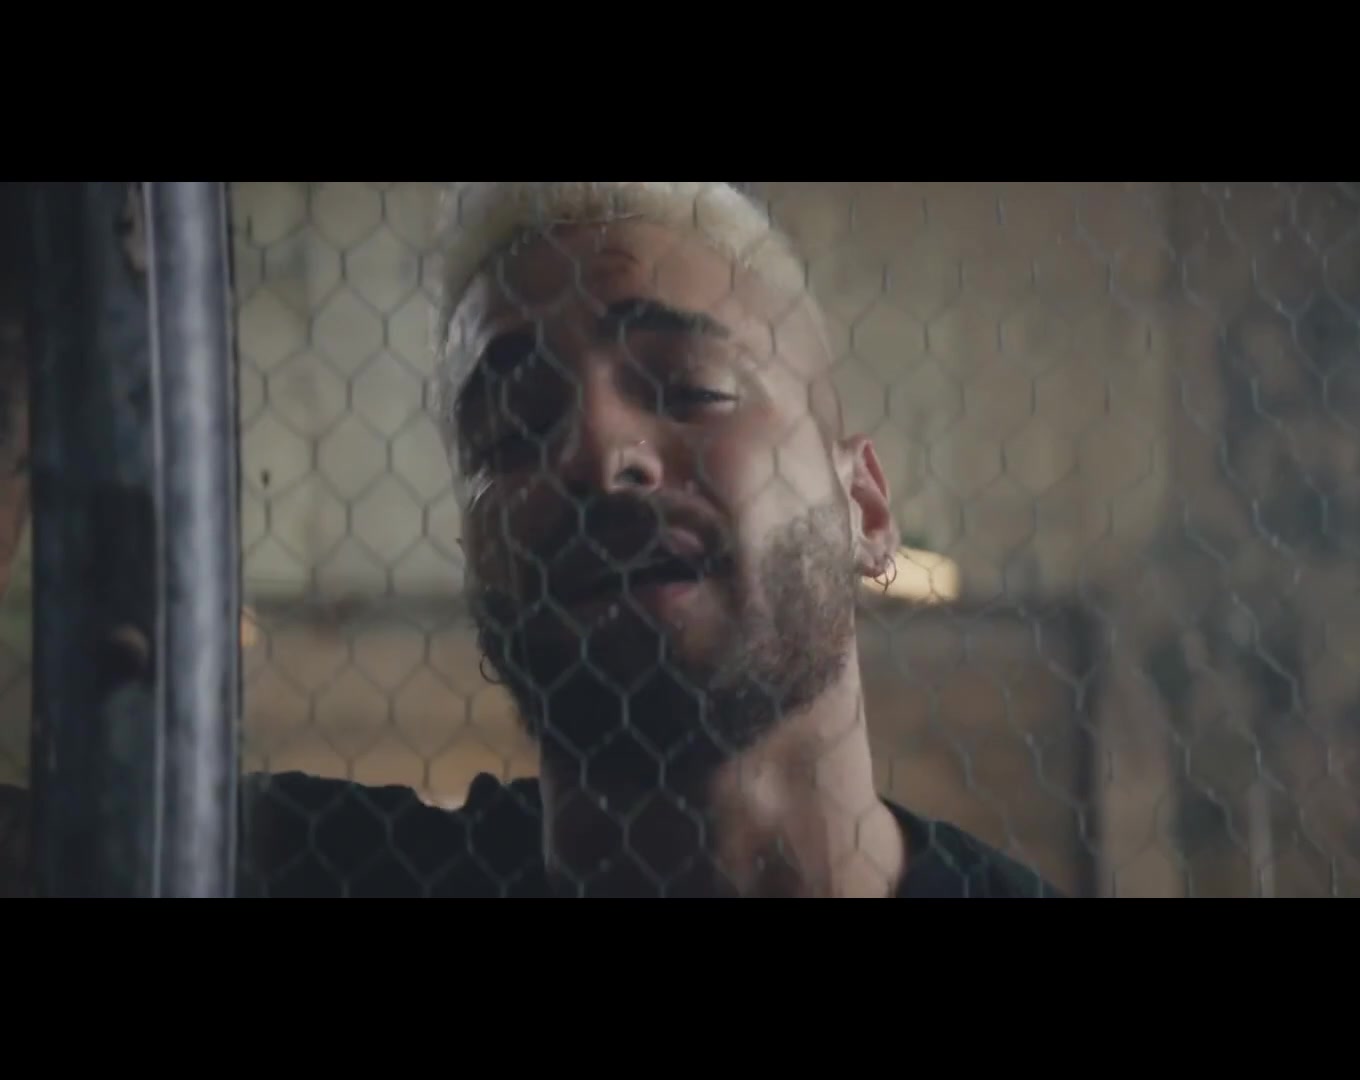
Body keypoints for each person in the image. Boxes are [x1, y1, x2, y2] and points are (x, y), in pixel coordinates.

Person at [0, 181, 1062, 898]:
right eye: (511, 432)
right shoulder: (302, 870)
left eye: (689, 387)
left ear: (865, 507)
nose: (597, 453)